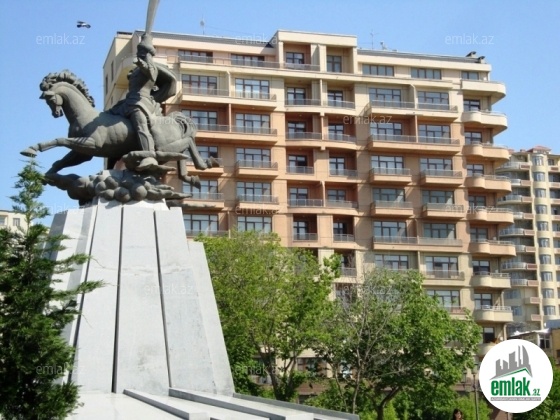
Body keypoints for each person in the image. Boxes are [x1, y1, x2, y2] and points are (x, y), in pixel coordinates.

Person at [123, 32, 159, 171]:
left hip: (140, 102)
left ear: (147, 53)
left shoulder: (150, 66)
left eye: (142, 51)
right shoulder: (136, 70)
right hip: (128, 101)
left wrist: (142, 64)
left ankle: (149, 155)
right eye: (139, 51)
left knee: (140, 125)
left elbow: (151, 74)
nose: (139, 53)